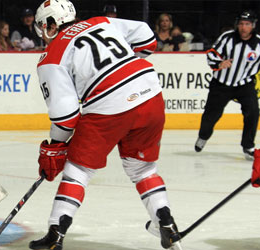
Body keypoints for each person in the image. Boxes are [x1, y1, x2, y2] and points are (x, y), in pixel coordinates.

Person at [29, 1, 183, 250]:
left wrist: (55, 146)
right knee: (143, 169)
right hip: (149, 91)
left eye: (42, 26)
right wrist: (123, 66)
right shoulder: (101, 21)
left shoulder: (51, 55)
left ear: (50, 24)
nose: (42, 33)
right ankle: (166, 223)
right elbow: (147, 38)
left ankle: (55, 234)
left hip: (108, 104)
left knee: (77, 170)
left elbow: (65, 115)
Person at [195, 11, 260, 161]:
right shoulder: (227, 37)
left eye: (247, 24)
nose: (244, 27)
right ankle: (203, 136)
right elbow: (211, 53)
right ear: (237, 24)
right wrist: (219, 63)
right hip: (221, 84)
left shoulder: (258, 43)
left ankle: (248, 145)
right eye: (242, 24)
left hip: (245, 84)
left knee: (253, 112)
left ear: (253, 26)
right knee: (211, 115)